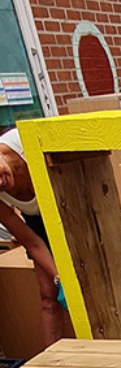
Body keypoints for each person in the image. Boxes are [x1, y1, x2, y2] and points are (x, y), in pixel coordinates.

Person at [0, 128, 64, 347]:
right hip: (37, 223)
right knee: (48, 297)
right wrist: (59, 278)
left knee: (93, 291)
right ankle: (52, 364)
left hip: (70, 209)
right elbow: (32, 242)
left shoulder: (24, 141)